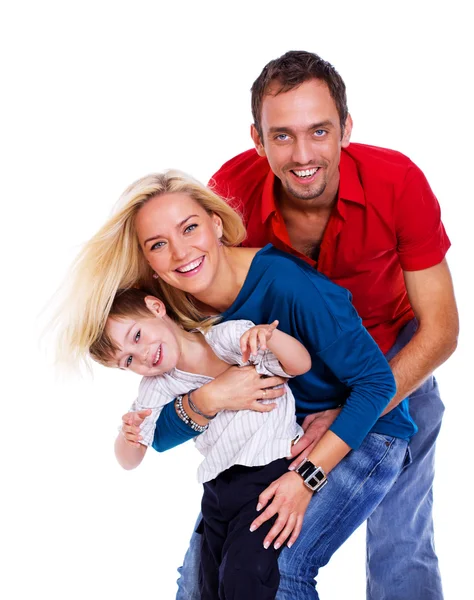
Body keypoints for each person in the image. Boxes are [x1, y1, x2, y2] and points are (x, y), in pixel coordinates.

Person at [174, 50, 459, 600]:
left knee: (401, 546)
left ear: (346, 129)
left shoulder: (397, 181)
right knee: (219, 563)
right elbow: (205, 313)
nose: (303, 155)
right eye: (282, 136)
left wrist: (354, 411)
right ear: (257, 139)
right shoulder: (227, 196)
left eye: (319, 131)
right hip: (288, 379)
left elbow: (441, 330)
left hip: (395, 365)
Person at [57, 169, 416, 599]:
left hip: (365, 429)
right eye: (158, 244)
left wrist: (307, 477)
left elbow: (376, 386)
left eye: (189, 228)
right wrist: (211, 397)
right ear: (147, 261)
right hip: (268, 446)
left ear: (215, 222)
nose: (180, 252)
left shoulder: (289, 286)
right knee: (196, 585)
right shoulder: (170, 310)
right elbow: (162, 433)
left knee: (277, 572)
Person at [91, 287, 313, 598]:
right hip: (217, 488)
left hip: (267, 473)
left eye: (137, 336)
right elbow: (129, 460)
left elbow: (300, 365)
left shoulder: (228, 338)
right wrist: (126, 437)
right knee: (208, 584)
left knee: (244, 576)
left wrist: (272, 338)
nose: (141, 356)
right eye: (128, 360)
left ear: (156, 307)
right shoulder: (158, 385)